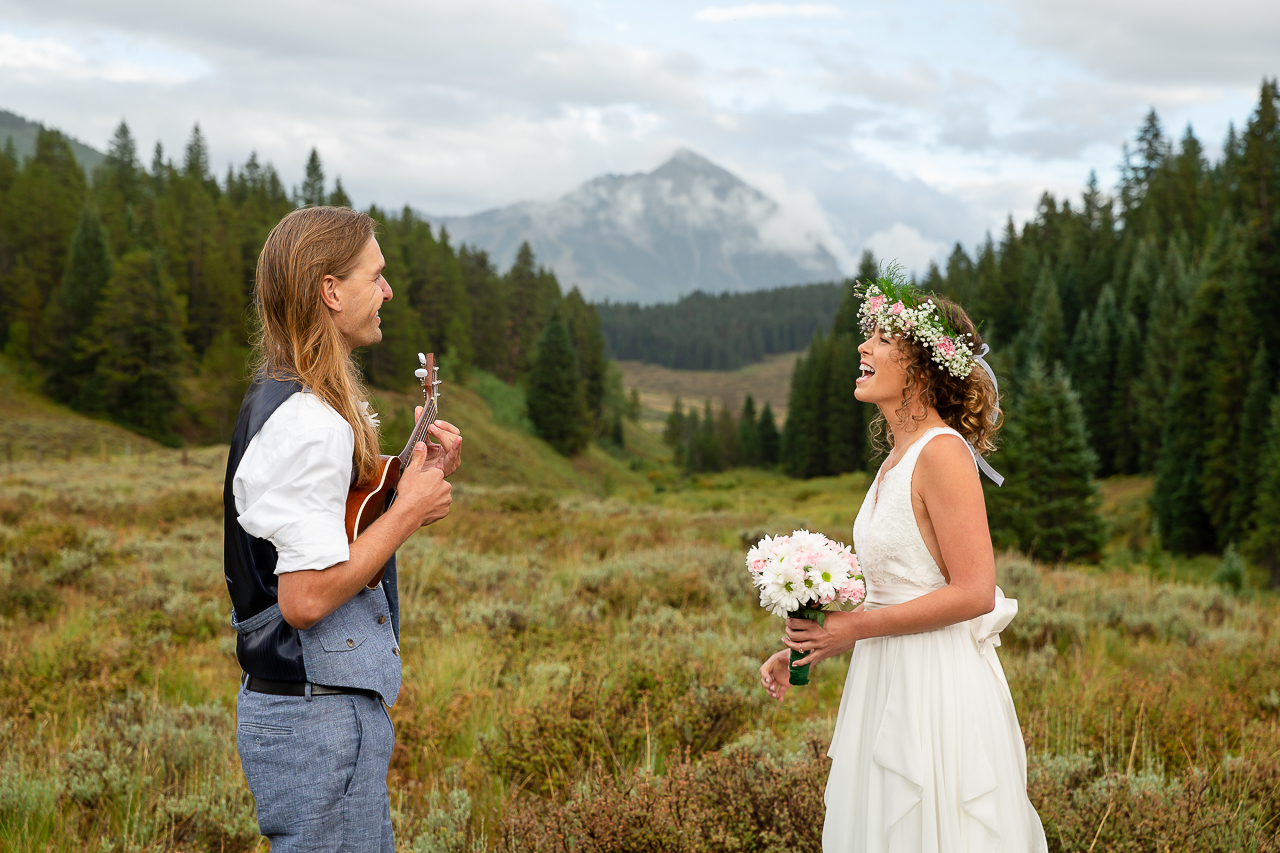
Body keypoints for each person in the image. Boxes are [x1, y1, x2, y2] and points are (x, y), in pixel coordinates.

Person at [759, 271, 1047, 852]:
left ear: (922, 366)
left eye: (883, 340)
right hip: (886, 680)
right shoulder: (897, 456)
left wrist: (854, 629)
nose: (863, 347)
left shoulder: (941, 454)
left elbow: (975, 593)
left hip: (934, 690)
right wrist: (810, 641)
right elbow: (898, 585)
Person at [224, 206, 461, 852]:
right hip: (316, 716)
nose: (387, 291)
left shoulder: (291, 397)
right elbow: (304, 599)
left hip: (316, 711)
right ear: (331, 290)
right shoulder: (307, 420)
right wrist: (408, 513)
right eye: (375, 276)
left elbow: (327, 525)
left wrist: (398, 484)